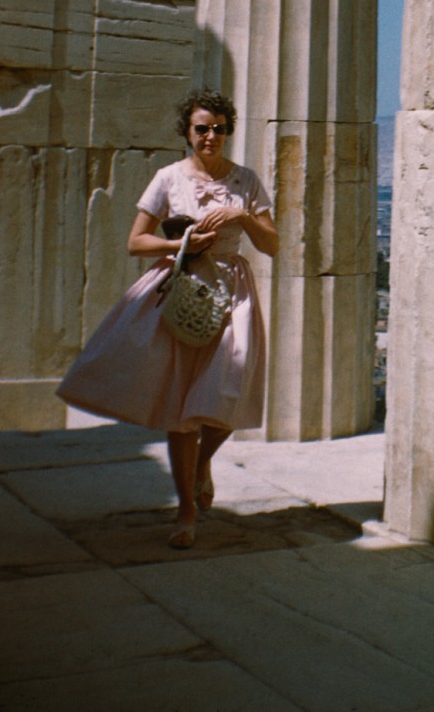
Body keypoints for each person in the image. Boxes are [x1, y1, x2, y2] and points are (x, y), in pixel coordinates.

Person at [57, 88, 279, 548]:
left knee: (228, 394)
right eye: (202, 129)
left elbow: (272, 244)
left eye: (218, 128)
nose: (211, 136)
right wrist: (181, 244)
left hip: (232, 294)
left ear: (227, 130)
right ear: (188, 132)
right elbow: (136, 242)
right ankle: (185, 511)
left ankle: (201, 462)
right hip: (180, 290)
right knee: (181, 409)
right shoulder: (168, 178)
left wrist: (242, 213)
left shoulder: (246, 180)